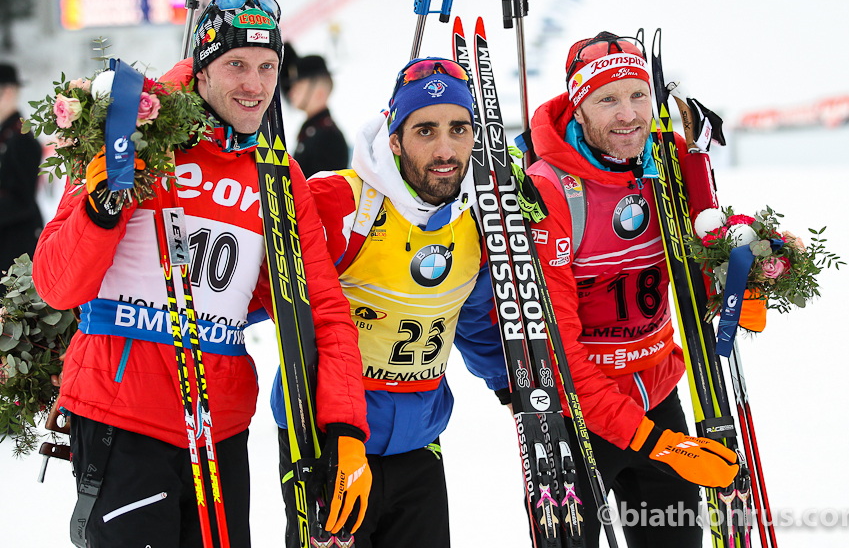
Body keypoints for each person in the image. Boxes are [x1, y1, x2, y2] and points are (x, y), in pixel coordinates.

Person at [33, 0, 370, 548]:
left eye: (267, 67)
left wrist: (344, 427)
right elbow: (57, 283)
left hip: (220, 431)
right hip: (123, 418)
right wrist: (100, 205)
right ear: (203, 68)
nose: (254, 84)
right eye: (236, 64)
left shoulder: (278, 177)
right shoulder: (132, 139)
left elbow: (324, 312)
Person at [270, 58, 509, 548]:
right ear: (394, 140)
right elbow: (256, 290)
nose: (445, 149)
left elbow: (477, 320)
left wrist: (512, 387)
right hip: (327, 439)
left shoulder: (478, 217)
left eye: (459, 129)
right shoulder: (341, 201)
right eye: (425, 130)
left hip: (420, 440)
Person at [524, 32, 739, 548]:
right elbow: (558, 351)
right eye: (608, 99)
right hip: (579, 417)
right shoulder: (551, 190)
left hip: (657, 394)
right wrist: (657, 444)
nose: (628, 115)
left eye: (638, 94)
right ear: (578, 109)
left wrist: (742, 279)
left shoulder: (662, 167)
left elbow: (698, 255)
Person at [280, 43, 349, 177]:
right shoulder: (313, 132)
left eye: (297, 86)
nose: (291, 92)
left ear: (319, 93)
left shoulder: (328, 139)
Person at [0, 62, 43, 274]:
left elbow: (22, 199)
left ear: (7, 92)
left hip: (16, 251)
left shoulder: (20, 138)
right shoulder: (6, 133)